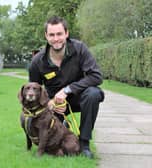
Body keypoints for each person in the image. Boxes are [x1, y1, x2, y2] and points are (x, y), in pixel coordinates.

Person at [29, 16, 104, 159]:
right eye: (51, 35)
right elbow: (34, 92)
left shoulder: (80, 49)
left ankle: (84, 144)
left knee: (94, 93)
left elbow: (96, 76)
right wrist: (49, 104)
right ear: (46, 36)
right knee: (53, 144)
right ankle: (61, 126)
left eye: (59, 34)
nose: (56, 39)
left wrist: (67, 90)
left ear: (66, 33)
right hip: (53, 105)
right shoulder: (37, 61)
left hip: (79, 98)